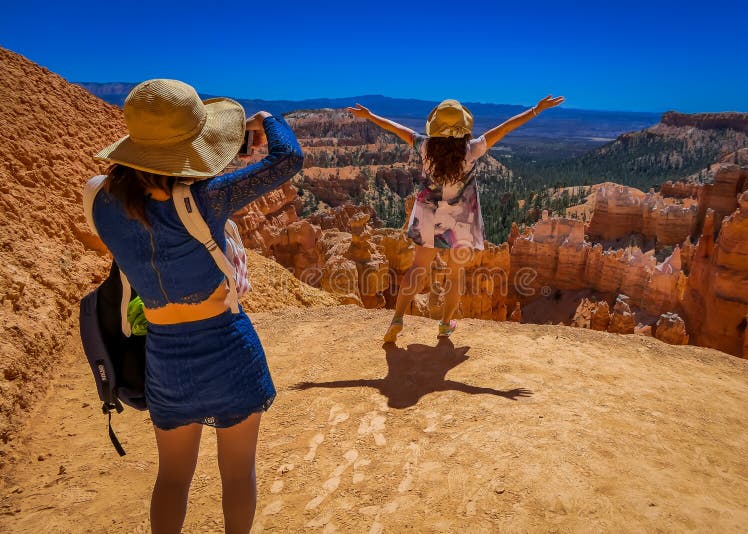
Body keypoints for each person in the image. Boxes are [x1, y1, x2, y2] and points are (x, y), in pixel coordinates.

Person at [89, 79, 304, 533]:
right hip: (229, 350)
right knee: (238, 472)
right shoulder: (208, 198)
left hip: (165, 359)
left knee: (171, 478)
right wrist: (267, 119)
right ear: (194, 145)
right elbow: (289, 159)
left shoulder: (100, 202)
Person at [348, 95, 564, 343]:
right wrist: (536, 110)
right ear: (463, 127)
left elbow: (397, 129)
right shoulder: (473, 149)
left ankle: (397, 317)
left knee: (418, 269)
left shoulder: (425, 146)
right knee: (455, 275)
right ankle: (444, 325)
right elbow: (505, 127)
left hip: (428, 215)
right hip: (460, 222)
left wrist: (370, 116)